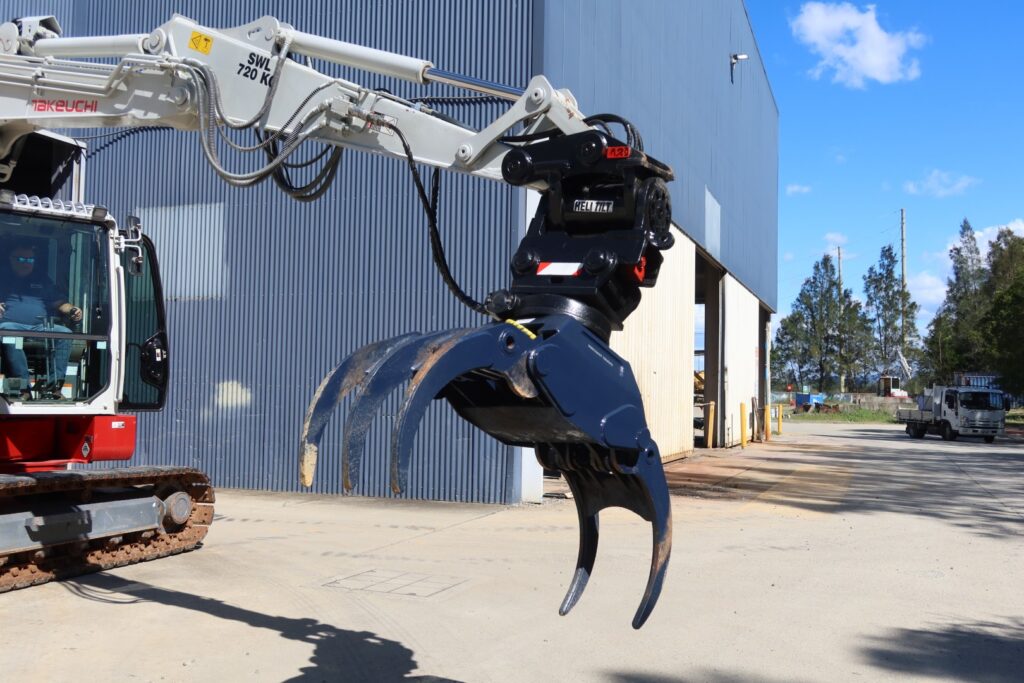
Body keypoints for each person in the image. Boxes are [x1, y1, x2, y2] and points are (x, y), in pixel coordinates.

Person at [0, 240, 82, 398]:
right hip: (11, 326)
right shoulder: (2, 277)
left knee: (65, 333)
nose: (26, 263)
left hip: (40, 327)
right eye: (21, 259)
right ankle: (24, 388)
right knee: (9, 331)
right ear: (10, 258)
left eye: (30, 259)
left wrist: (73, 309)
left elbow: (60, 304)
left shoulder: (42, 279)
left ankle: (54, 388)